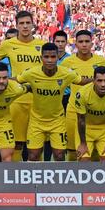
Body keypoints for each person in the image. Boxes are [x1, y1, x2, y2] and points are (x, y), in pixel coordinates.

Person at [16, 43, 92, 161]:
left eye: (53, 57)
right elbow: (15, 80)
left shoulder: (66, 73)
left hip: (57, 121)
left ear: (57, 57)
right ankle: (35, 179)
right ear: (41, 58)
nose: (50, 60)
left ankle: (57, 179)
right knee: (33, 155)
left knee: (59, 155)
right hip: (36, 121)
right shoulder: (31, 73)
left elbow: (83, 81)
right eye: (46, 57)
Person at [0, 11, 45, 161]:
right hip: (17, 100)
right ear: (17, 25)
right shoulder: (8, 44)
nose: (25, 26)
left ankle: (36, 182)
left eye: (28, 23)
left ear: (33, 24)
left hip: (38, 101)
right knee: (17, 144)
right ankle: (16, 180)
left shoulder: (42, 45)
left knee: (36, 146)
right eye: (22, 23)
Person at [60, 30, 105, 161]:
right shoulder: (67, 63)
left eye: (87, 41)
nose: (84, 45)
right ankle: (73, 180)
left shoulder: (101, 62)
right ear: (75, 44)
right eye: (81, 42)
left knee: (95, 152)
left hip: (97, 114)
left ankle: (92, 180)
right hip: (74, 112)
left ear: (92, 43)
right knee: (73, 151)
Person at [75, 66, 105, 161]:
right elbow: (81, 120)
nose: (103, 84)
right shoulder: (82, 94)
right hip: (86, 128)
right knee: (84, 162)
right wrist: (82, 144)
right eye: (99, 80)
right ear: (93, 81)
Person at [42, 30, 71, 161]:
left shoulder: (70, 60)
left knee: (62, 130)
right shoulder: (46, 58)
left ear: (66, 43)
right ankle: (47, 159)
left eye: (62, 41)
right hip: (49, 98)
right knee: (48, 131)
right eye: (57, 41)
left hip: (66, 98)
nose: (60, 44)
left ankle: (61, 159)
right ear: (53, 42)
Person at [0, 28, 19, 162]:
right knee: (1, 137)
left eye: (14, 38)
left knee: (21, 139)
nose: (11, 41)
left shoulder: (23, 58)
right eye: (8, 38)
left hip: (21, 100)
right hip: (3, 102)